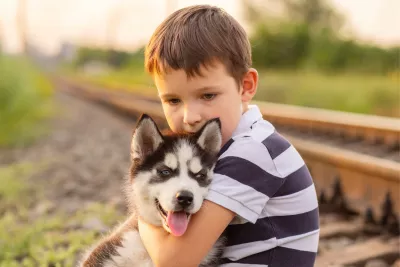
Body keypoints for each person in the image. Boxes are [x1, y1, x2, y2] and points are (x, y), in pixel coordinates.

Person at [137, 4, 319, 267]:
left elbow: (172, 260)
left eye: (207, 96)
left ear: (246, 87)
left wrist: (142, 214)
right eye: (174, 100)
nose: (190, 116)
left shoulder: (251, 153)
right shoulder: (238, 144)